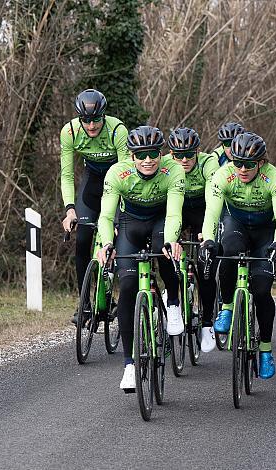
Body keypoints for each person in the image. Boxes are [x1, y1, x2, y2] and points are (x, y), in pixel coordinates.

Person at [96, 126, 185, 391]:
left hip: (160, 221)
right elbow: (106, 215)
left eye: (153, 154)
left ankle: (173, 301)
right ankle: (129, 365)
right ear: (132, 156)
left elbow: (174, 214)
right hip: (130, 225)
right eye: (141, 154)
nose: (147, 160)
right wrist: (107, 244)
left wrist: (171, 240)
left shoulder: (174, 170)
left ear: (161, 154)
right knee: (127, 288)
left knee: (164, 251)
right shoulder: (117, 173)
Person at [200, 132, 276, 379]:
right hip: (235, 224)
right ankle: (228, 307)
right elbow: (212, 212)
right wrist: (208, 239)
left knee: (261, 290)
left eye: (248, 164)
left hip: (265, 230)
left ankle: (265, 350)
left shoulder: (274, 177)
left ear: (260, 162)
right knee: (228, 252)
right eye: (237, 162)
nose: (242, 168)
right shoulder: (223, 175)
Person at [60, 89, 130, 324]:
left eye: (96, 119)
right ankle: (84, 305)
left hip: (116, 180)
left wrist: (120, 217)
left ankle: (113, 292)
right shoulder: (70, 132)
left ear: (104, 116)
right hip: (91, 181)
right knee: (81, 239)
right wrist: (70, 209)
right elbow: (67, 174)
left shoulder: (117, 130)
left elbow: (126, 174)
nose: (91, 126)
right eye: (86, 120)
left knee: (118, 236)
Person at [167, 127, 220, 353]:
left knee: (205, 267)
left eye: (189, 154)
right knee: (168, 255)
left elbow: (213, 198)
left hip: (202, 211)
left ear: (198, 151)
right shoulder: (164, 164)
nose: (184, 159)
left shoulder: (209, 164)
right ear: (171, 154)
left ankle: (207, 323)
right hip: (176, 210)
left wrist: (207, 233)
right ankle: (171, 303)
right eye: (178, 155)